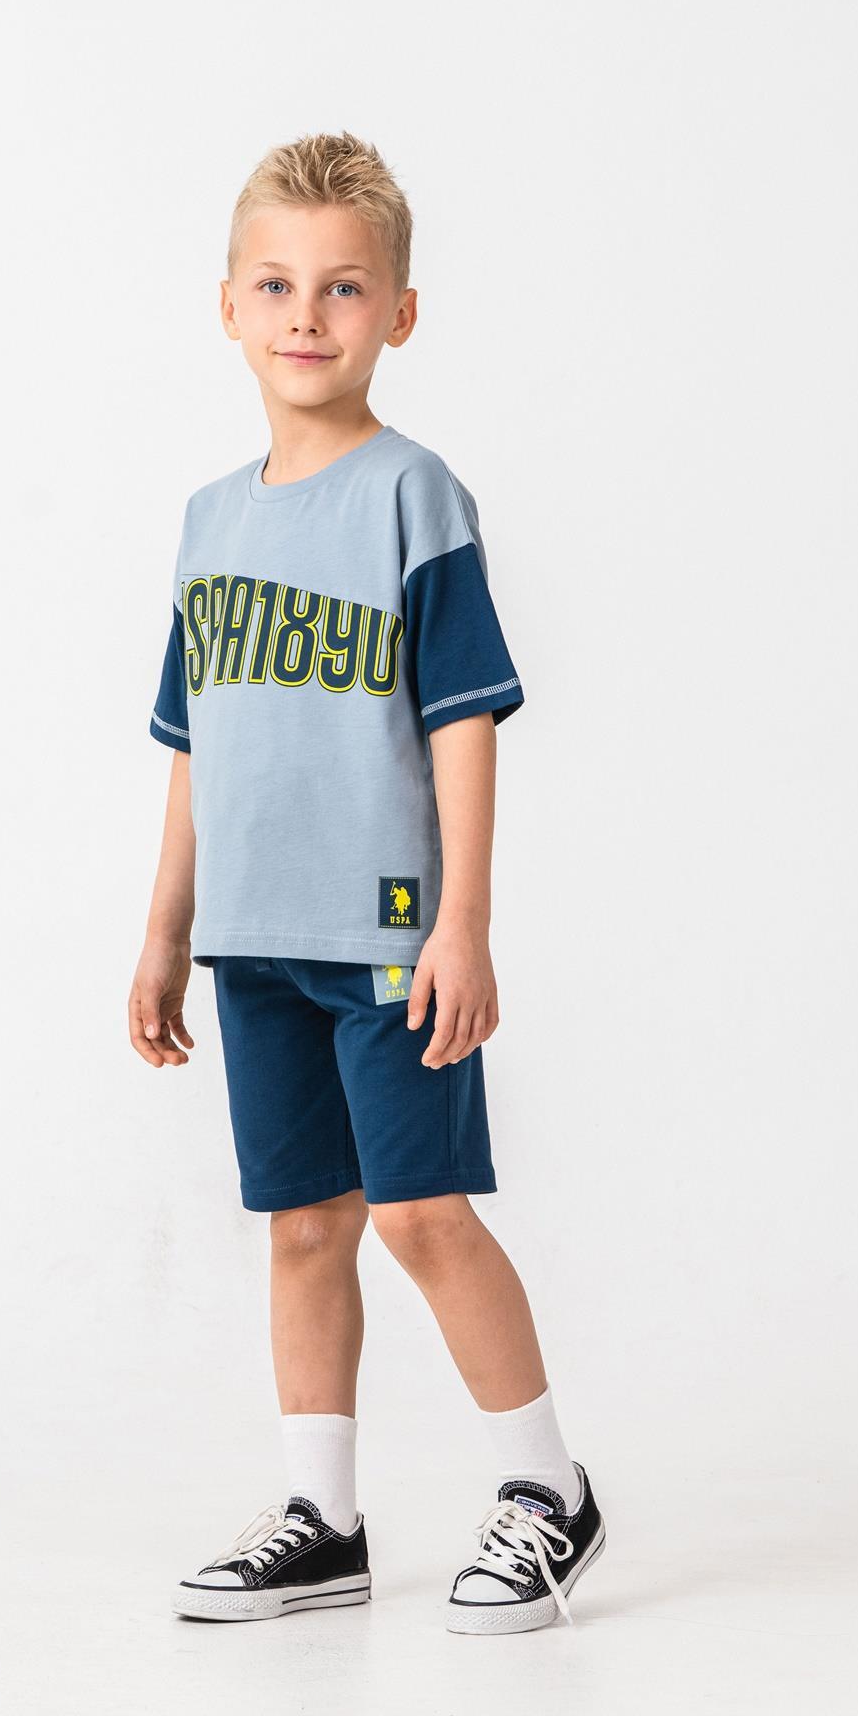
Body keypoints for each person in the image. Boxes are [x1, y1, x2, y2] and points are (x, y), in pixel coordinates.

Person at [128, 131, 605, 1635]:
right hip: (252, 939)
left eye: (343, 287)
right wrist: (165, 930)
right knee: (303, 1224)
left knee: (420, 1216)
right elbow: (195, 744)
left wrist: (464, 920)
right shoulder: (209, 522)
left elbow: (462, 721)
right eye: (276, 284)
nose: (306, 315)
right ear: (227, 306)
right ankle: (323, 1522)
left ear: (399, 312)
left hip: (391, 935)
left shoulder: (417, 495)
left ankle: (550, 1489)